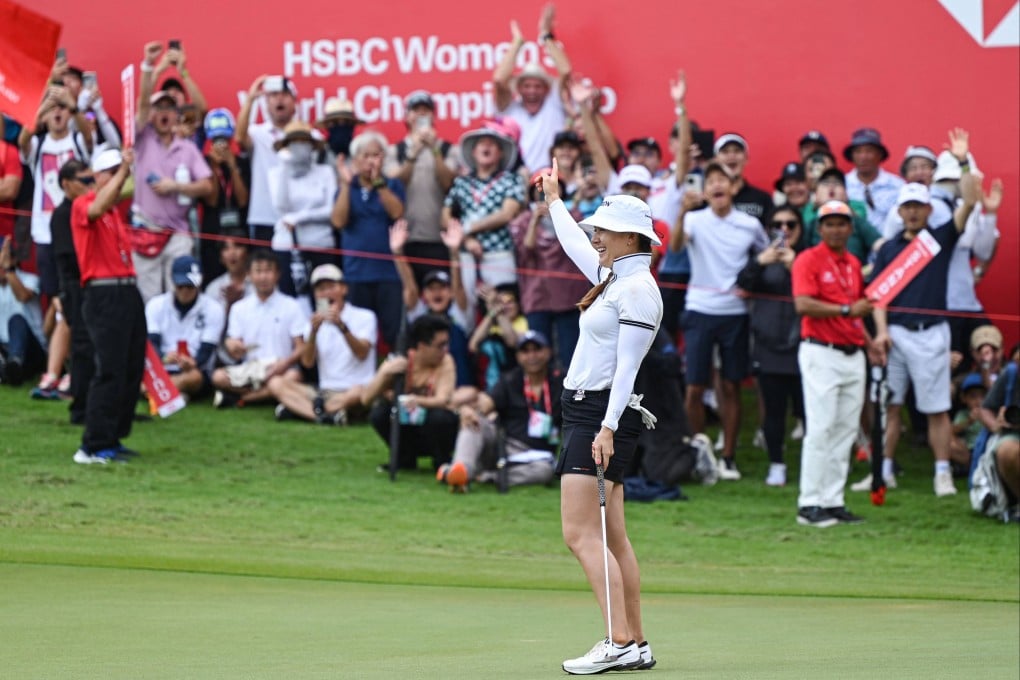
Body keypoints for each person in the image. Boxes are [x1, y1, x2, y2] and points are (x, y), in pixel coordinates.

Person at [541, 162, 663, 674]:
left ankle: (617, 641)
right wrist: (554, 201)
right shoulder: (615, 278)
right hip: (591, 413)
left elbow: (627, 370)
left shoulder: (637, 290)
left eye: (605, 231)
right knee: (612, 536)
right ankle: (635, 642)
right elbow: (574, 244)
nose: (596, 237)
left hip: (600, 415)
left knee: (580, 533)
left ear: (630, 237)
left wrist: (607, 428)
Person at [870, 130, 980, 497]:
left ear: (929, 209)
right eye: (908, 207)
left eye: (919, 206)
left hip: (932, 333)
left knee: (936, 409)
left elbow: (970, 201)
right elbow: (879, 297)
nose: (914, 212)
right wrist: (881, 332)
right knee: (891, 407)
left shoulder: (939, 239)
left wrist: (962, 162)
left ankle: (942, 473)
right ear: (900, 211)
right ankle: (883, 471)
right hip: (896, 335)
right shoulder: (888, 250)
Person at [675, 162, 769, 480]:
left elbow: (767, 256)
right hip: (699, 309)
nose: (717, 185)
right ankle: (698, 454)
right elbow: (675, 246)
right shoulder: (693, 219)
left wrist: (752, 283)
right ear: (705, 191)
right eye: (711, 181)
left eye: (722, 180)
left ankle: (728, 457)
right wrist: (681, 212)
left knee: (731, 385)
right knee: (694, 387)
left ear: (733, 188)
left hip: (735, 313)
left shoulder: (749, 224)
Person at [791, 200, 877, 526]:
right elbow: (803, 304)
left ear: (851, 228)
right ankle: (809, 502)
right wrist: (846, 311)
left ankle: (833, 500)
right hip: (821, 351)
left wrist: (870, 343)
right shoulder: (807, 259)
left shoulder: (853, 263)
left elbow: (856, 312)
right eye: (830, 223)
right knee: (821, 427)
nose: (837, 229)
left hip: (853, 351)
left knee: (845, 430)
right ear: (820, 228)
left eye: (842, 223)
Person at [69, 148, 147, 464]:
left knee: (131, 367)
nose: (120, 177)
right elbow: (97, 206)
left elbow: (122, 193)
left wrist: (128, 168)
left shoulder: (116, 212)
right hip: (103, 294)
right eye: (112, 172)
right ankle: (93, 444)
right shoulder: (83, 204)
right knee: (110, 369)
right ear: (98, 177)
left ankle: (113, 436)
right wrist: (124, 169)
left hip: (127, 290)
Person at [133, 41, 215, 303]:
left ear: (176, 114)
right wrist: (150, 66)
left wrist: (176, 186)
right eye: (159, 108)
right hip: (146, 229)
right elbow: (142, 103)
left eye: (169, 108)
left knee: (181, 296)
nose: (164, 113)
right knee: (149, 300)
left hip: (178, 232)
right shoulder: (142, 139)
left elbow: (207, 186)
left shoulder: (187, 148)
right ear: (152, 114)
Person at [438, 330, 562, 491]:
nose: (532, 356)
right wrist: (468, 411)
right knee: (474, 422)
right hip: (503, 445)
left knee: (544, 471)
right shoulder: (510, 379)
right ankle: (462, 472)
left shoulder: (561, 381)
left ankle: (486, 476)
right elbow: (485, 403)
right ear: (518, 356)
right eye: (525, 351)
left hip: (538, 455)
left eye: (537, 350)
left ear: (548, 352)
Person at [736, 206, 805, 487]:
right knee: (773, 411)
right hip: (768, 345)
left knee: (807, 411)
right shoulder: (762, 258)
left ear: (800, 228)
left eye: (791, 224)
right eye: (778, 224)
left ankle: (811, 466)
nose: (784, 229)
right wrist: (760, 261)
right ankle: (777, 463)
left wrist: (795, 266)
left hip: (803, 346)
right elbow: (742, 283)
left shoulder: (808, 257)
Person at [270, 264, 377, 425]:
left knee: (358, 394)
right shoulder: (313, 323)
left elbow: (362, 353)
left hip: (354, 388)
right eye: (321, 289)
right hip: (324, 391)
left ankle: (301, 410)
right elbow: (307, 362)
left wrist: (342, 327)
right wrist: (314, 332)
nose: (326, 293)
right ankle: (323, 416)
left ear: (344, 289)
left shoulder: (365, 316)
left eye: (331, 287)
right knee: (276, 383)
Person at [331, 130, 406, 348]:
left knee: (393, 334)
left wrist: (379, 183)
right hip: (356, 273)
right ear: (355, 160)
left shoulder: (392, 185)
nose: (371, 161)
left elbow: (397, 213)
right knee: (359, 334)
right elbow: (338, 222)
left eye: (376, 155)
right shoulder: (347, 188)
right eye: (366, 155)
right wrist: (346, 185)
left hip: (389, 273)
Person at [508, 171, 588, 371]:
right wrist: (535, 220)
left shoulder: (574, 216)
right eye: (540, 187)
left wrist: (557, 214)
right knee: (537, 355)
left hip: (569, 297)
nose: (545, 190)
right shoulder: (523, 221)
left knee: (571, 356)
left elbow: (576, 246)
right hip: (537, 298)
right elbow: (526, 250)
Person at [362, 313, 459, 472]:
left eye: (446, 344)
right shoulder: (400, 360)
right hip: (406, 427)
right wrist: (385, 373)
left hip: (433, 426)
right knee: (379, 414)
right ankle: (404, 457)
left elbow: (442, 400)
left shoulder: (446, 361)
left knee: (441, 417)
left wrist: (415, 400)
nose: (445, 350)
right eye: (440, 346)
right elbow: (366, 399)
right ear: (422, 346)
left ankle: (441, 459)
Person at [383, 90, 461, 284]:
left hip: (440, 238)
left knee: (441, 292)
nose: (421, 114)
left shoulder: (448, 149)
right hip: (406, 237)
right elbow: (395, 183)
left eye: (426, 110)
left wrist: (434, 150)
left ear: (433, 116)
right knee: (410, 294)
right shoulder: (395, 151)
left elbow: (447, 183)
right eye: (416, 110)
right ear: (407, 116)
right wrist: (414, 152)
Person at [210, 249, 307, 407]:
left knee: (293, 376)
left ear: (277, 274)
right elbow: (234, 347)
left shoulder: (292, 306)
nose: (263, 277)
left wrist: (284, 364)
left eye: (268, 271)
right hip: (251, 370)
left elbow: (301, 347)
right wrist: (233, 346)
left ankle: (243, 399)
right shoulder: (239, 308)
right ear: (249, 274)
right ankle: (268, 395)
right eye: (258, 271)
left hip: (282, 367)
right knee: (218, 377)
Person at [442, 125, 524, 300]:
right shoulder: (461, 182)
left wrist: (468, 228)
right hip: (466, 254)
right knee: (465, 308)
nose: (486, 147)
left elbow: (507, 214)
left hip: (499, 254)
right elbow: (445, 217)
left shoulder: (512, 179)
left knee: (502, 305)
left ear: (500, 153)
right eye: (481, 143)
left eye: (492, 144)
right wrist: (466, 239)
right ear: (473, 152)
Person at [492, 6, 572, 173]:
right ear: (519, 89)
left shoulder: (554, 104)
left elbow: (565, 71)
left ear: (546, 89)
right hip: (517, 180)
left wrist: (546, 36)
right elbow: (499, 79)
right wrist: (517, 43)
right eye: (527, 86)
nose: (532, 91)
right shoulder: (510, 109)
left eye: (537, 86)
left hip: (553, 178)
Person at [268, 120, 338, 302]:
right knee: (289, 300)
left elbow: (331, 210)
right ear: (287, 146)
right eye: (294, 142)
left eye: (304, 141)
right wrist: (284, 167)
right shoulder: (276, 173)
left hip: (321, 244)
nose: (300, 146)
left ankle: (323, 322)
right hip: (287, 246)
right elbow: (281, 207)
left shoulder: (325, 172)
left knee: (323, 301)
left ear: (312, 146)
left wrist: (299, 217)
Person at [144, 255, 224, 399]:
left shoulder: (213, 308)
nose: (185, 290)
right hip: (162, 366)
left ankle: (158, 392)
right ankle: (174, 393)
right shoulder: (156, 305)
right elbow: (152, 342)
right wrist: (163, 358)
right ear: (173, 282)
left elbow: (207, 350)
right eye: (181, 286)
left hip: (194, 369)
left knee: (194, 377)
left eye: (190, 286)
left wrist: (193, 362)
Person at [50, 159, 94, 421]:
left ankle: (94, 402)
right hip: (75, 286)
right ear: (66, 184)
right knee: (82, 344)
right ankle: (80, 405)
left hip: (90, 284)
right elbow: (68, 257)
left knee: (94, 344)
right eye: (84, 180)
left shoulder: (85, 208)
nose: (90, 185)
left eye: (92, 179)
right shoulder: (62, 215)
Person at [236, 74, 299, 244]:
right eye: (273, 95)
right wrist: (250, 99)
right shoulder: (257, 133)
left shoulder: (309, 137)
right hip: (263, 217)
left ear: (294, 101)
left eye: (285, 94)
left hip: (298, 218)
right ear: (266, 102)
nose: (279, 99)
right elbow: (239, 138)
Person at [200, 108, 249, 284]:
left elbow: (243, 200)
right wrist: (213, 167)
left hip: (239, 230)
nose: (221, 144)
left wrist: (232, 165)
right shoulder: (202, 163)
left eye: (224, 139)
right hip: (213, 232)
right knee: (213, 281)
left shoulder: (242, 161)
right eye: (216, 140)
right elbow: (211, 201)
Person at [0, 237, 46, 385]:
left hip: (31, 349)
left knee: (16, 319)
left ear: (13, 260)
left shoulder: (29, 279)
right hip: (4, 348)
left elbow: (23, 296)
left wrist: (9, 270)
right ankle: (7, 370)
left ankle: (14, 364)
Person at [977, 363, 1020, 522]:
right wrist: (996, 424)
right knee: (1006, 449)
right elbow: (985, 409)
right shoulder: (1011, 374)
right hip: (1014, 437)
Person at [843, 127, 904, 229]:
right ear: (852, 156)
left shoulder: (898, 186)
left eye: (869, 151)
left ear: (880, 154)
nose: (863, 157)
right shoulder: (842, 184)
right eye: (858, 152)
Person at [712, 133, 772, 223]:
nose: (731, 156)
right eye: (725, 151)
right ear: (715, 160)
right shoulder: (708, 199)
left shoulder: (763, 199)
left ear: (746, 159)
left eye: (737, 151)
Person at [951, 373, 988, 473]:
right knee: (949, 441)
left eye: (982, 396)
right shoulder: (963, 414)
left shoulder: (990, 412)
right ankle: (970, 466)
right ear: (964, 398)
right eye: (973, 397)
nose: (978, 401)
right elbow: (953, 430)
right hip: (970, 449)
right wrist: (969, 421)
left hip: (987, 447)